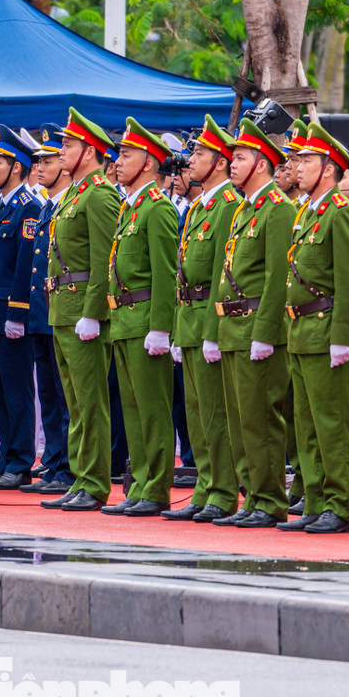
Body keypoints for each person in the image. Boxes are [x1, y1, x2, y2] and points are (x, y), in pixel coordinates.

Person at [208, 118, 295, 528]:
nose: (232, 164)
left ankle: (269, 499)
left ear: (261, 162)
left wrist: (264, 333)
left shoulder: (278, 208)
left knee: (261, 419)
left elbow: (279, 276)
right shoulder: (246, 208)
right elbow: (225, 273)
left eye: (240, 157)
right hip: (232, 329)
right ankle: (252, 496)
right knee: (241, 422)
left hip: (256, 330)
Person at [277, 122, 349, 533]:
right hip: (300, 331)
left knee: (332, 425)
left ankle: (337, 503)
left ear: (328, 168)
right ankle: (313, 498)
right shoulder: (307, 212)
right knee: (307, 425)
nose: (297, 166)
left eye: (307, 160)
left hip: (326, 329)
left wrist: (342, 338)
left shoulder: (341, 216)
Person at [40, 109, 121, 512]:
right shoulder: (75, 193)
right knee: (75, 402)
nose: (61, 150)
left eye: (68, 145)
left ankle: (94, 482)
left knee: (90, 401)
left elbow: (107, 256)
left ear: (90, 152)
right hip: (62, 309)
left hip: (82, 311)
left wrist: (94, 311)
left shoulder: (101, 194)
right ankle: (79, 477)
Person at [163, 115, 241, 523]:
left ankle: (223, 492)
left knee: (215, 414)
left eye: (200, 153)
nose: (191, 160)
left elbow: (221, 277)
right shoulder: (200, 205)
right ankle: (205, 486)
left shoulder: (228, 205)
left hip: (209, 321)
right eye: (194, 152)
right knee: (196, 414)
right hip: (188, 320)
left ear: (222, 162)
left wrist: (212, 332)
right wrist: (179, 330)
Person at [101, 118, 179, 517]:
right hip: (124, 320)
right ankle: (141, 483)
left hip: (146, 319)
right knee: (132, 409)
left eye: (126, 154)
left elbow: (166, 274)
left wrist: (162, 328)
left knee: (152, 409)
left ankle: (156, 488)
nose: (117, 161)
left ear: (148, 163)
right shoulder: (131, 208)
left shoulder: (157, 209)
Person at [0, 127, 42, 489]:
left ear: (16, 167)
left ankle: (19, 462)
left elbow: (24, 265)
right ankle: (5, 460)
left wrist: (17, 312)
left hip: (12, 313)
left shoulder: (28, 207)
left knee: (16, 391)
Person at [19, 125, 75, 496]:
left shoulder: (69, 205)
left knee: (67, 394)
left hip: (63, 312)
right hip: (42, 313)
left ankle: (69, 465)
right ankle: (54, 460)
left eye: (47, 160)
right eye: (36, 161)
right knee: (49, 396)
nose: (38, 167)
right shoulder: (47, 206)